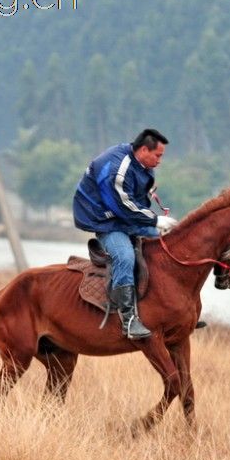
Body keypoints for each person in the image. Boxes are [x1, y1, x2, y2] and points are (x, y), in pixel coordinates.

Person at [73, 128, 178, 339]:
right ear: (143, 150)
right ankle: (129, 321)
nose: (160, 161)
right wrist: (155, 220)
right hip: (105, 220)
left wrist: (157, 223)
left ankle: (173, 313)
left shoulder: (142, 164)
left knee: (169, 244)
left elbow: (136, 202)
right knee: (125, 257)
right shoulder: (117, 169)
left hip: (124, 217)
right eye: (158, 155)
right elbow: (122, 205)